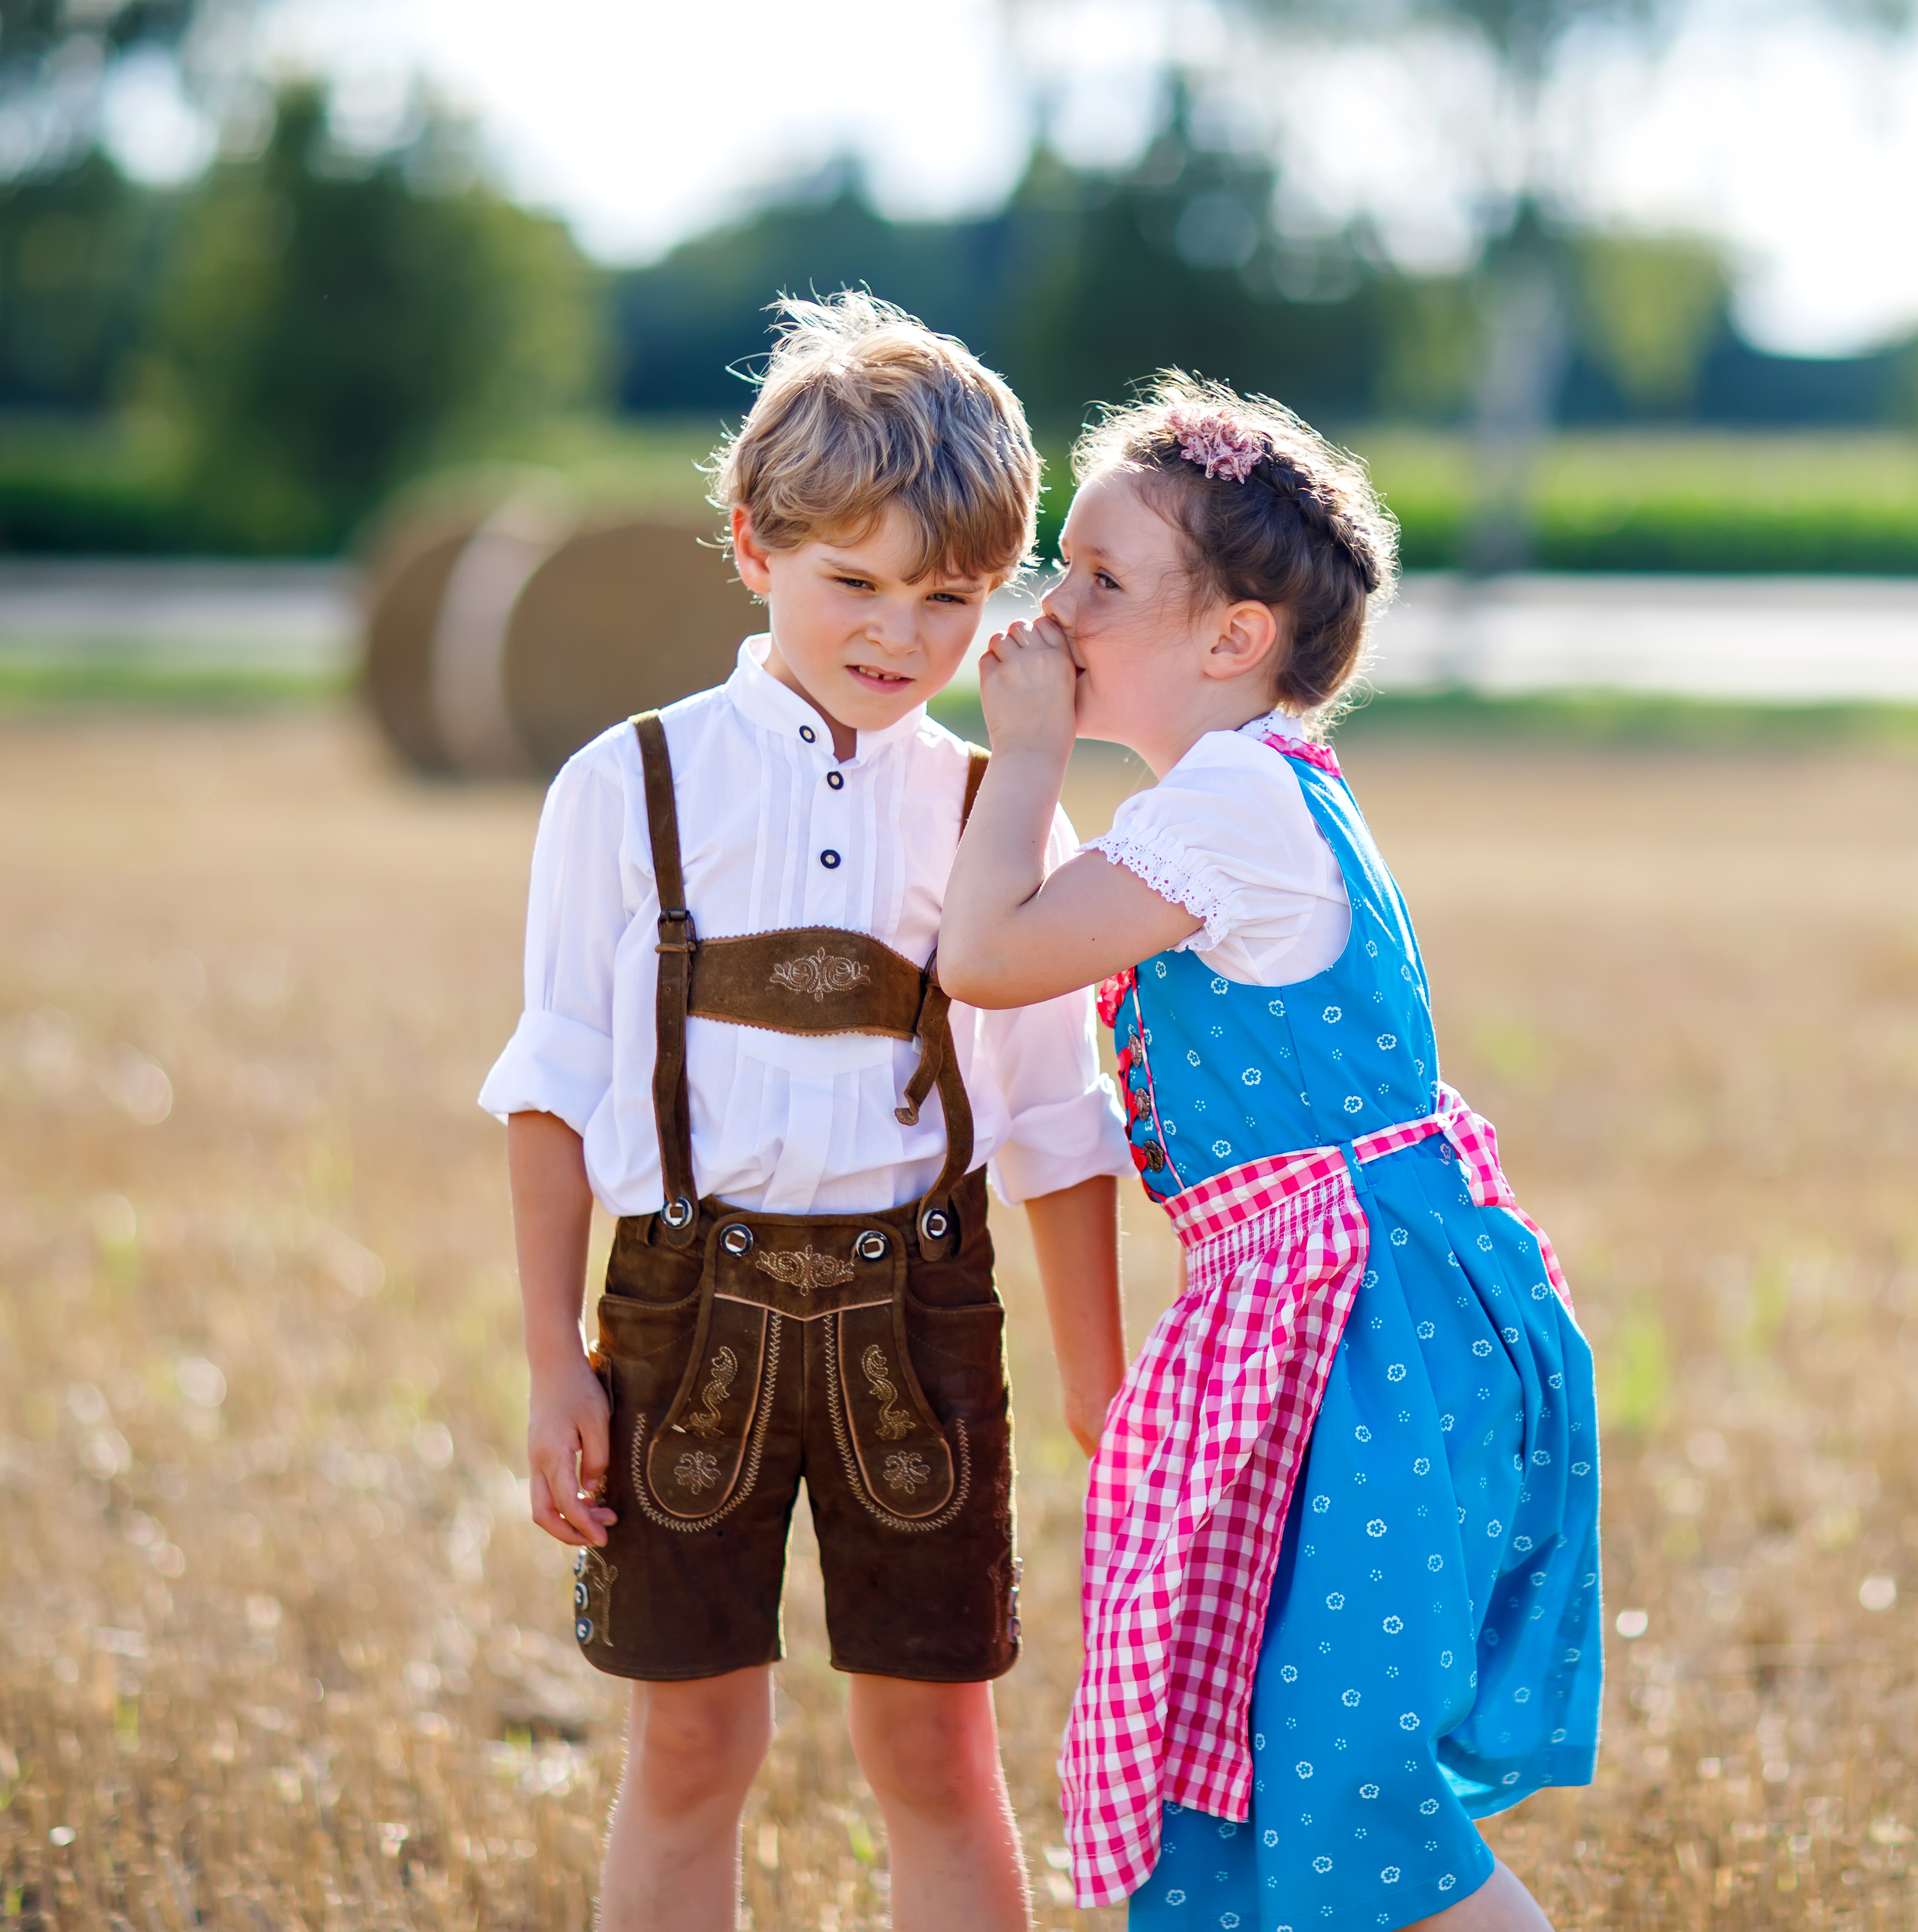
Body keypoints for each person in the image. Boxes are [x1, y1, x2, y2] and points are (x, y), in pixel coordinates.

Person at [483, 292, 1131, 1932]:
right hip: (683, 1307)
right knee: (694, 1743)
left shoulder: (994, 807)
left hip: (920, 1313)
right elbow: (555, 1091)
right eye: (855, 581)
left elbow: (1056, 1120)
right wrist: (557, 1357)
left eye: (949, 598)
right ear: (753, 545)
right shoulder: (624, 787)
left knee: (939, 1753)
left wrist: (1097, 1388)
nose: (898, 635)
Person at [938, 376, 1601, 1931]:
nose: (1056, 608)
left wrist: (1020, 755)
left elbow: (986, 952)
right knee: (1249, 1748)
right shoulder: (1255, 790)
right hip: (1338, 1312)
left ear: (1233, 640)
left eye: (1101, 581)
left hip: (1359, 1329)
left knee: (1337, 1774)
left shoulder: (1231, 802)